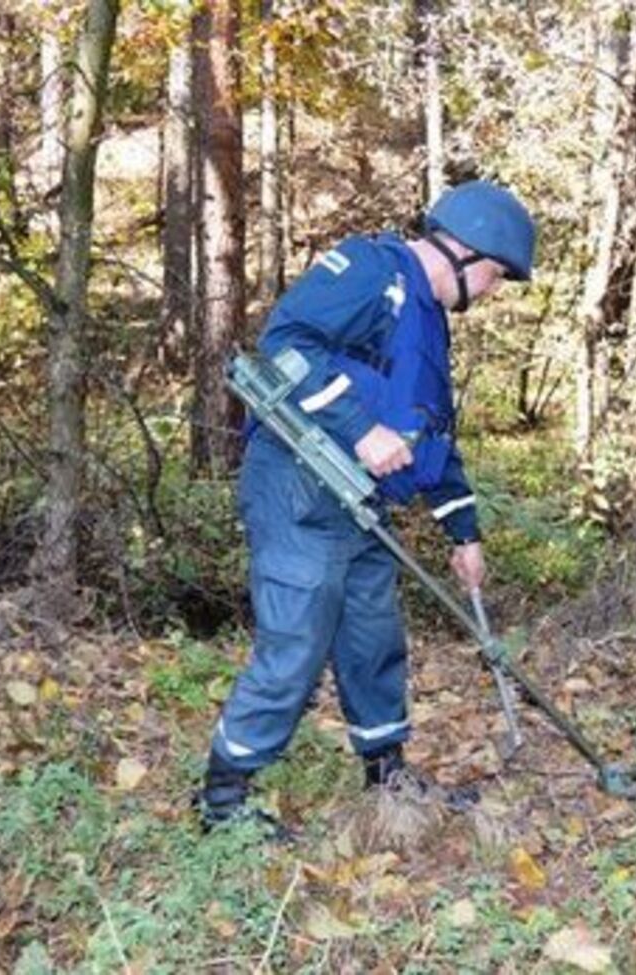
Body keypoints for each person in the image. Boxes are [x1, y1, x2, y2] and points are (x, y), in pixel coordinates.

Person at [199, 180, 536, 836]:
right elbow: (286, 343)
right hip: (297, 488)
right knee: (297, 642)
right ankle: (224, 797)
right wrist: (359, 427)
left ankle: (387, 772)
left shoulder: (427, 326)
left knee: (372, 639)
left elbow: (430, 439)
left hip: (362, 507)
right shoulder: (370, 269)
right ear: (464, 251)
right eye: (496, 275)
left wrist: (463, 532)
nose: (494, 291)